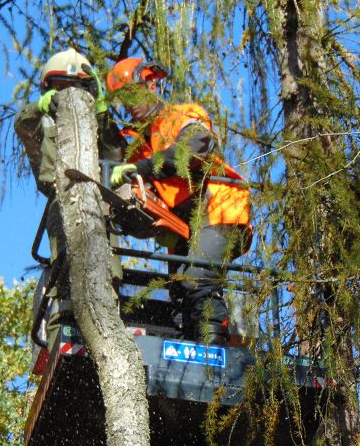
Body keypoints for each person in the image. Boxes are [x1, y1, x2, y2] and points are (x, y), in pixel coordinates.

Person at [105, 57, 251, 345]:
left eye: (134, 93)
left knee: (198, 278)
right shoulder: (133, 140)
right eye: (124, 99)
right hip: (182, 224)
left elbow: (195, 148)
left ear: (151, 83)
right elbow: (108, 146)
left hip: (219, 208)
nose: (130, 104)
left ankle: (213, 352)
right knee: (179, 292)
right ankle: (191, 348)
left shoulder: (182, 116)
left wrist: (142, 168)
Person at [15, 48, 125, 344]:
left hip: (97, 201)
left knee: (108, 269)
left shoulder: (94, 120)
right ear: (49, 88)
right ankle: (63, 332)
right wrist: (40, 107)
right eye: (61, 87)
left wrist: (102, 112)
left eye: (76, 87)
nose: (69, 94)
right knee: (66, 268)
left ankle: (107, 326)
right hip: (61, 199)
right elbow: (23, 124)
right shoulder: (40, 121)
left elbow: (116, 154)